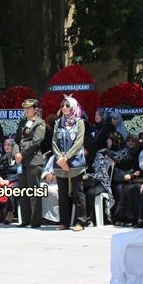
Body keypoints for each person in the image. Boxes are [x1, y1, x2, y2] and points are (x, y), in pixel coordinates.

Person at [52, 96, 87, 231]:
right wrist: (60, 158)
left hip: (75, 162)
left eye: (67, 105)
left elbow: (78, 142)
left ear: (73, 107)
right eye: (63, 105)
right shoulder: (58, 123)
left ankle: (80, 222)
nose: (64, 108)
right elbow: (54, 141)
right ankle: (64, 222)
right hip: (60, 163)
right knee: (62, 193)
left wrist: (66, 158)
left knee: (78, 192)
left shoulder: (79, 122)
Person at [12, 98, 46, 228]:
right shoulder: (22, 122)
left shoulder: (40, 123)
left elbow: (36, 141)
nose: (25, 110)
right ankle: (25, 219)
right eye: (24, 108)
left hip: (33, 161)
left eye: (28, 108)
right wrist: (16, 153)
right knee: (23, 191)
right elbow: (15, 140)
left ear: (35, 109)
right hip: (22, 161)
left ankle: (35, 221)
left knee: (34, 191)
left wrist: (22, 153)